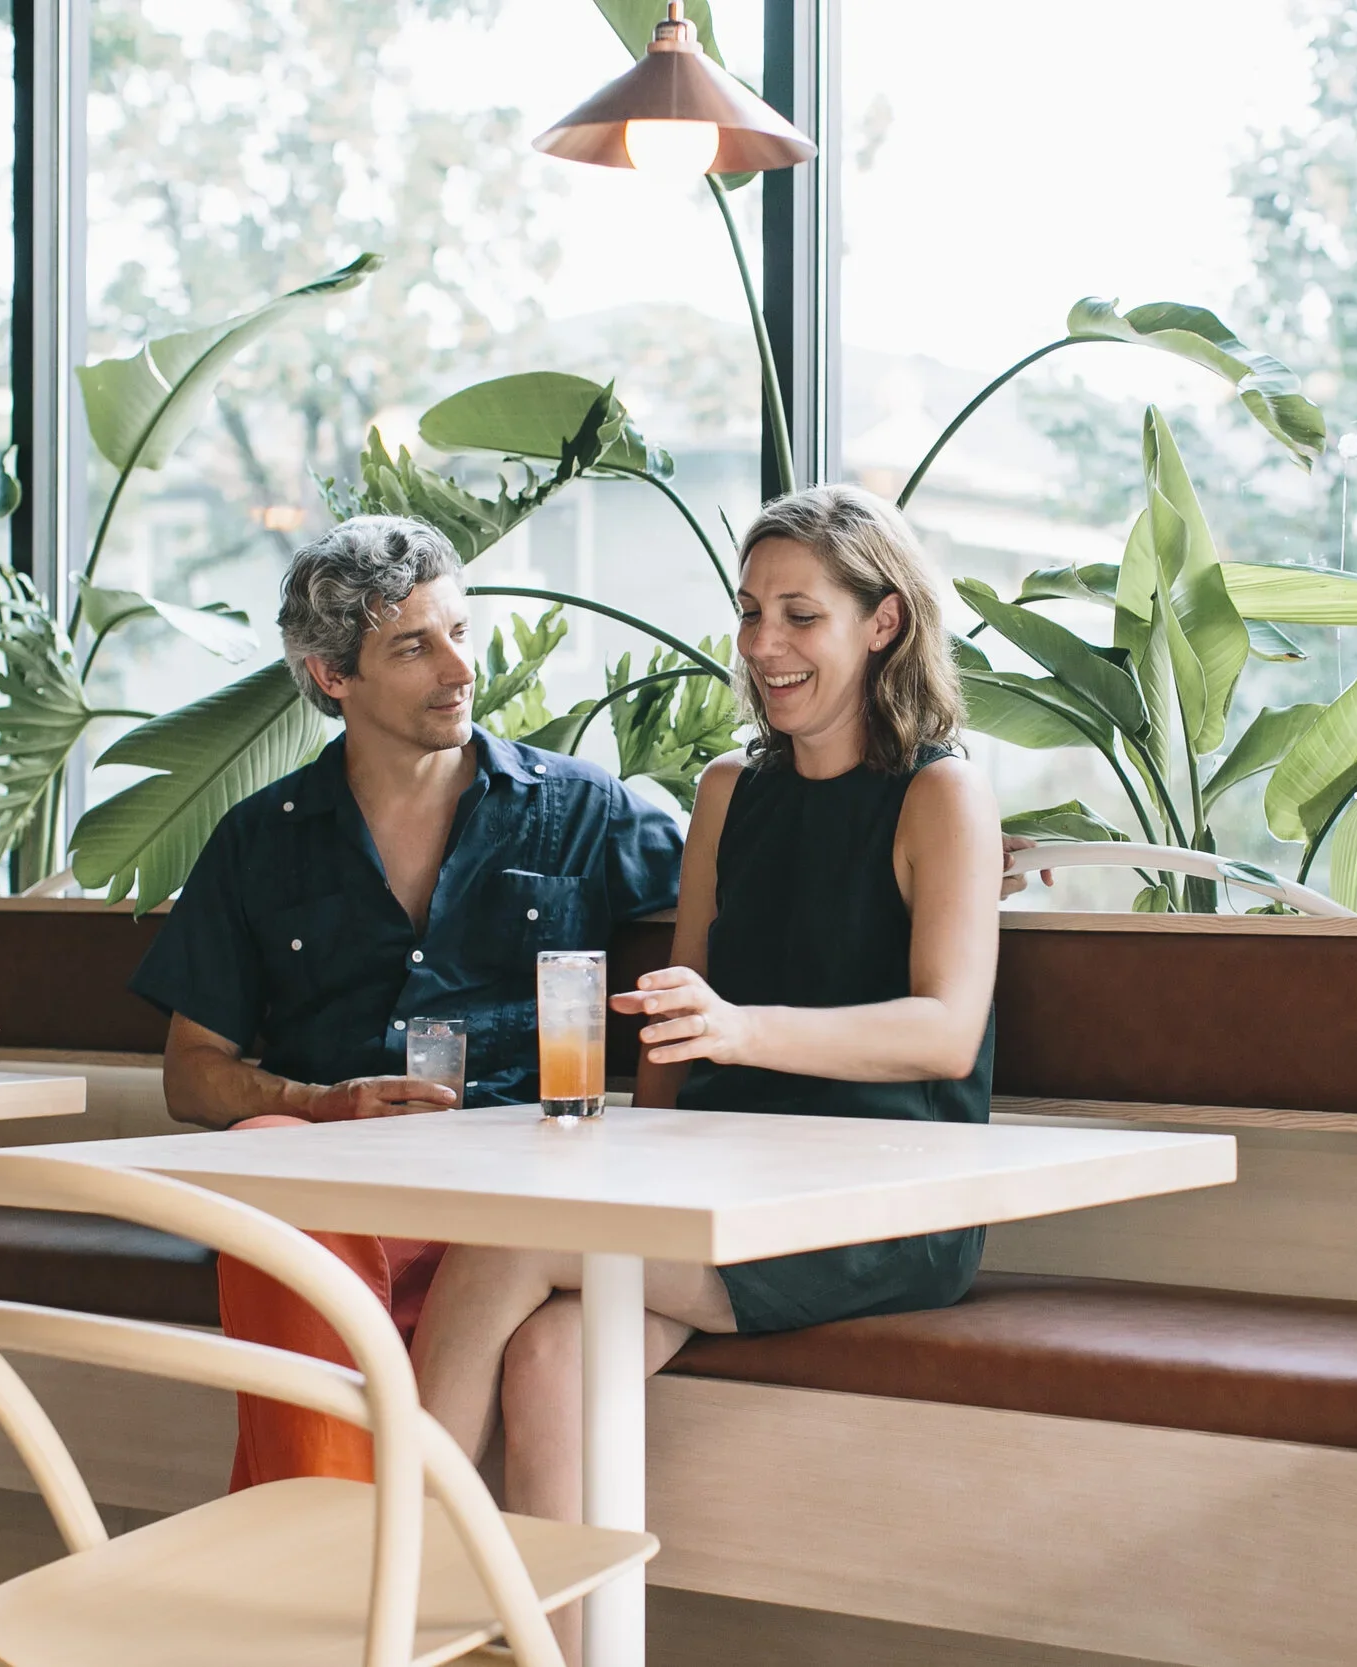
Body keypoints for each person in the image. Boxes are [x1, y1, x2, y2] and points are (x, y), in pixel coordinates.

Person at [407, 484, 1002, 1605]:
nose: (764, 645)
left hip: (881, 1204)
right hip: (717, 1186)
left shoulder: (943, 794)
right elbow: (677, 1022)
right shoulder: (729, 790)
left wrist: (743, 1026)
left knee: (505, 1243)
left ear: (884, 623)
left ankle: (396, 1568)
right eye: (748, 612)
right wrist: (642, 1149)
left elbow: (944, 1029)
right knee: (549, 1360)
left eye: (800, 614)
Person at [128, 513, 685, 1489]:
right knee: (272, 1162)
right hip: (343, 1195)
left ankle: (329, 1560)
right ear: (331, 674)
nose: (459, 668)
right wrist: (318, 1103)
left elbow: (757, 879)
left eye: (460, 632)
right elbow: (190, 1072)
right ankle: (346, 1548)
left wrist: (932, 863)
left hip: (518, 1192)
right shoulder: (259, 841)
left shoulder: (580, 809)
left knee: (282, 1207)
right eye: (414, 646)